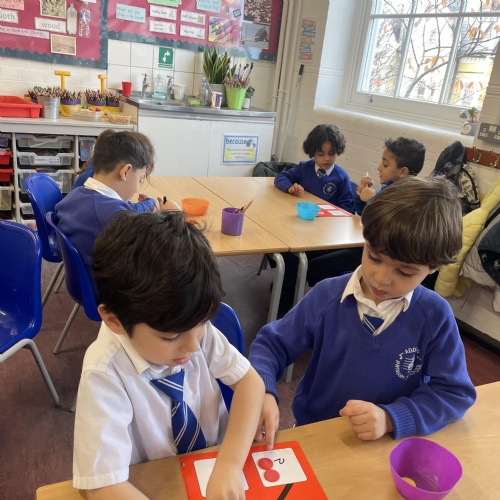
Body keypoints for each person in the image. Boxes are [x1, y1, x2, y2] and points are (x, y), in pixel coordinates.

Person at [249, 176, 476, 448]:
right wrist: (264, 390)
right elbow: (271, 345)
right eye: (374, 257)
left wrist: (391, 418)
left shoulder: (435, 316)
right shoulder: (326, 296)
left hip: (387, 444)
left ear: (433, 268)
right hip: (314, 432)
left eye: (405, 272)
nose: (381, 279)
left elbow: (454, 392)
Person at [73, 210, 265, 499]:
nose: (192, 346)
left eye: (202, 325)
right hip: (152, 483)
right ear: (114, 321)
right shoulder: (104, 373)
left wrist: (229, 464)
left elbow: (250, 383)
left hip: (213, 461)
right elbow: (99, 485)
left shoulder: (193, 329)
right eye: (170, 337)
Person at [55, 129, 179, 279]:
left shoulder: (75, 196)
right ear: (125, 172)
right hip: (110, 287)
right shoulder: (115, 217)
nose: (138, 187)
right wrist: (173, 215)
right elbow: (165, 248)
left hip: (83, 280)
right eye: (140, 179)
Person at [307, 136, 426, 287]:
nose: (379, 168)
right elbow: (361, 212)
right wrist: (360, 193)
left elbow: (384, 224)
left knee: (318, 266)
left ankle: (337, 291)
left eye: (385, 164)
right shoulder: (388, 188)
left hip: (379, 253)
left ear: (403, 172)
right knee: (315, 255)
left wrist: (372, 200)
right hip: (366, 243)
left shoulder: (406, 196)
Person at [273, 124, 354, 315]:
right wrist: (290, 187)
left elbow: (348, 208)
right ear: (312, 153)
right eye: (320, 153)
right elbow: (280, 178)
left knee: (296, 259)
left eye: (331, 154)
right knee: (286, 253)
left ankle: (289, 294)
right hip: (300, 227)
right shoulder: (304, 168)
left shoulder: (341, 176)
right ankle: (284, 292)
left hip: (324, 236)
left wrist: (330, 213)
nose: (326, 159)